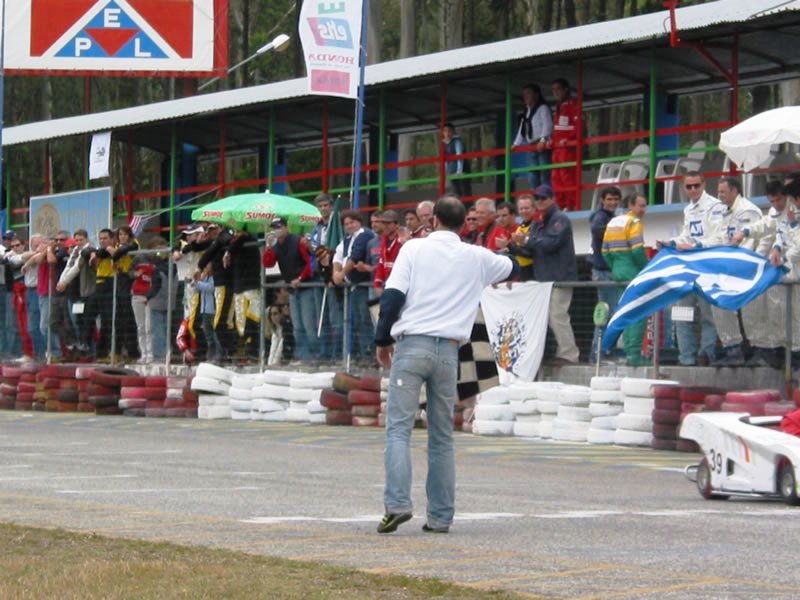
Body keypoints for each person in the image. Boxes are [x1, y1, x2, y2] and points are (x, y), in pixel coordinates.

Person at [374, 195, 516, 534]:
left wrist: (382, 339)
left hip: (413, 345)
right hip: (449, 351)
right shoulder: (477, 256)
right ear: (463, 222)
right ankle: (440, 517)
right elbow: (516, 265)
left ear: (433, 219)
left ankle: (397, 504)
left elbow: (393, 296)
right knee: (441, 437)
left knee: (399, 429)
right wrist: (518, 244)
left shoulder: (413, 249)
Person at [657, 171, 723, 366]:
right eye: (689, 187)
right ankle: (686, 356)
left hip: (707, 268)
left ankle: (706, 353)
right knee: (681, 312)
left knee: (708, 315)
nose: (693, 190)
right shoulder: (688, 210)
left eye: (696, 185)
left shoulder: (715, 206)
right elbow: (685, 236)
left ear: (704, 184)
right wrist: (670, 242)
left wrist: (696, 246)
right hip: (688, 270)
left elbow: (719, 238)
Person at [518, 184, 580, 364]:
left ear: (552, 199)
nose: (540, 201)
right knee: (548, 318)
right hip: (545, 279)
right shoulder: (539, 223)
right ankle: (556, 352)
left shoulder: (560, 219)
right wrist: (515, 245)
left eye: (543, 198)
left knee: (557, 315)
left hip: (560, 278)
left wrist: (528, 240)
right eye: (537, 198)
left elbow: (551, 244)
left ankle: (569, 354)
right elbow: (533, 251)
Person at [705, 176, 763, 366]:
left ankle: (757, 351)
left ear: (734, 191)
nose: (719, 195)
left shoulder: (747, 211)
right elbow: (720, 239)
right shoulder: (726, 212)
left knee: (751, 311)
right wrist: (695, 246)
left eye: (722, 191)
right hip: (730, 269)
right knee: (720, 303)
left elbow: (749, 244)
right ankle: (733, 348)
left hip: (747, 270)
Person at [732, 179, 789, 368]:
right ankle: (774, 351)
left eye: (779, 200)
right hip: (779, 271)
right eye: (772, 201)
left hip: (789, 271)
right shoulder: (775, 213)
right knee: (775, 312)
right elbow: (765, 227)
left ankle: (788, 354)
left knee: (788, 315)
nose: (776, 205)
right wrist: (745, 232)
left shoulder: (792, 212)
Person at [602, 193, 649, 365]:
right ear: (631, 205)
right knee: (637, 312)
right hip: (633, 271)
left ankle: (629, 352)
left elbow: (605, 252)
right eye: (641, 206)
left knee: (625, 311)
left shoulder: (613, 222)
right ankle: (634, 355)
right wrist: (646, 268)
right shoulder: (634, 223)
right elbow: (637, 250)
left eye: (645, 206)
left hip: (618, 271)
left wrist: (616, 266)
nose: (643, 210)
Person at [261, 217, 316, 362]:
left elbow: (310, 262)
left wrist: (301, 278)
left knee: (308, 324)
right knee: (297, 326)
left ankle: (316, 355)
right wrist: (268, 246)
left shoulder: (298, 241)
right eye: (274, 228)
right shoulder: (276, 246)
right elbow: (268, 263)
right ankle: (304, 357)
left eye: (279, 227)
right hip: (292, 288)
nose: (276, 230)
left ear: (286, 228)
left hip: (305, 286)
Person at [332, 210, 376, 362]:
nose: (350, 226)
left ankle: (369, 355)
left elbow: (355, 256)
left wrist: (342, 273)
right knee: (356, 321)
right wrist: (336, 273)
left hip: (363, 284)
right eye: (346, 224)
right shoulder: (346, 239)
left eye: (352, 222)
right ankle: (361, 355)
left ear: (359, 221)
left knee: (366, 321)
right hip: (352, 286)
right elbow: (338, 255)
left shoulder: (364, 235)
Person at [588, 186, 621, 362]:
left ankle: (600, 352)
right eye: (609, 199)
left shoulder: (610, 218)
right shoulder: (600, 217)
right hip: (603, 271)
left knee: (607, 312)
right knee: (606, 312)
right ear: (602, 200)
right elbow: (597, 230)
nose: (612, 203)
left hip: (606, 271)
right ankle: (598, 354)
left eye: (615, 200)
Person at [548, 78, 580, 211]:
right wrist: (551, 140)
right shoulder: (558, 106)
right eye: (553, 90)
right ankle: (561, 206)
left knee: (567, 176)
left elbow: (579, 126)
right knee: (556, 177)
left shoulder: (572, 105)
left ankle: (571, 205)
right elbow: (557, 128)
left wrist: (570, 139)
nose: (555, 92)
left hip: (567, 149)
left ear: (565, 89)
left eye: (558, 89)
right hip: (557, 149)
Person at [513, 83, 553, 189]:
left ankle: (545, 197)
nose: (526, 96)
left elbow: (547, 124)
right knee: (532, 175)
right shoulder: (527, 110)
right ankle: (536, 197)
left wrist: (543, 139)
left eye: (528, 93)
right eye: (524, 94)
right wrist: (515, 144)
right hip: (532, 145)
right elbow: (522, 128)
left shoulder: (543, 108)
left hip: (542, 145)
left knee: (544, 174)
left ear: (536, 94)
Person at [499, 194, 536, 280]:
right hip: (522, 271)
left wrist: (509, 245)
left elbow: (530, 253)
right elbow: (516, 249)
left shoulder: (536, 226)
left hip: (533, 271)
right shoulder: (521, 226)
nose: (524, 211)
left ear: (534, 208)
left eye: (526, 208)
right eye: (521, 208)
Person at [193, 264, 224, 362]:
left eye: (208, 266)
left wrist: (198, 282)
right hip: (204, 310)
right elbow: (196, 289)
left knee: (214, 333)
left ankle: (219, 353)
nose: (206, 268)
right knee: (208, 333)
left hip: (213, 310)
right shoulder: (204, 278)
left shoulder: (214, 278)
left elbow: (210, 288)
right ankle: (211, 353)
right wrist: (197, 281)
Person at [373, 210, 403, 297]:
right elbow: (381, 264)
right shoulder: (384, 240)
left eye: (388, 223)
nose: (385, 226)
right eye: (383, 223)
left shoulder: (402, 241)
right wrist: (377, 284)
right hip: (388, 285)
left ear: (397, 224)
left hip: (400, 286)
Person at [441, 123, 470, 198]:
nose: (447, 133)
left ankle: (467, 207)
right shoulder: (443, 143)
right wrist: (447, 172)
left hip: (461, 170)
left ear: (453, 132)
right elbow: (445, 159)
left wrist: (459, 171)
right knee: (456, 192)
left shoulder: (457, 141)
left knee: (465, 191)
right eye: (445, 131)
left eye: (449, 131)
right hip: (452, 171)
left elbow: (459, 155)